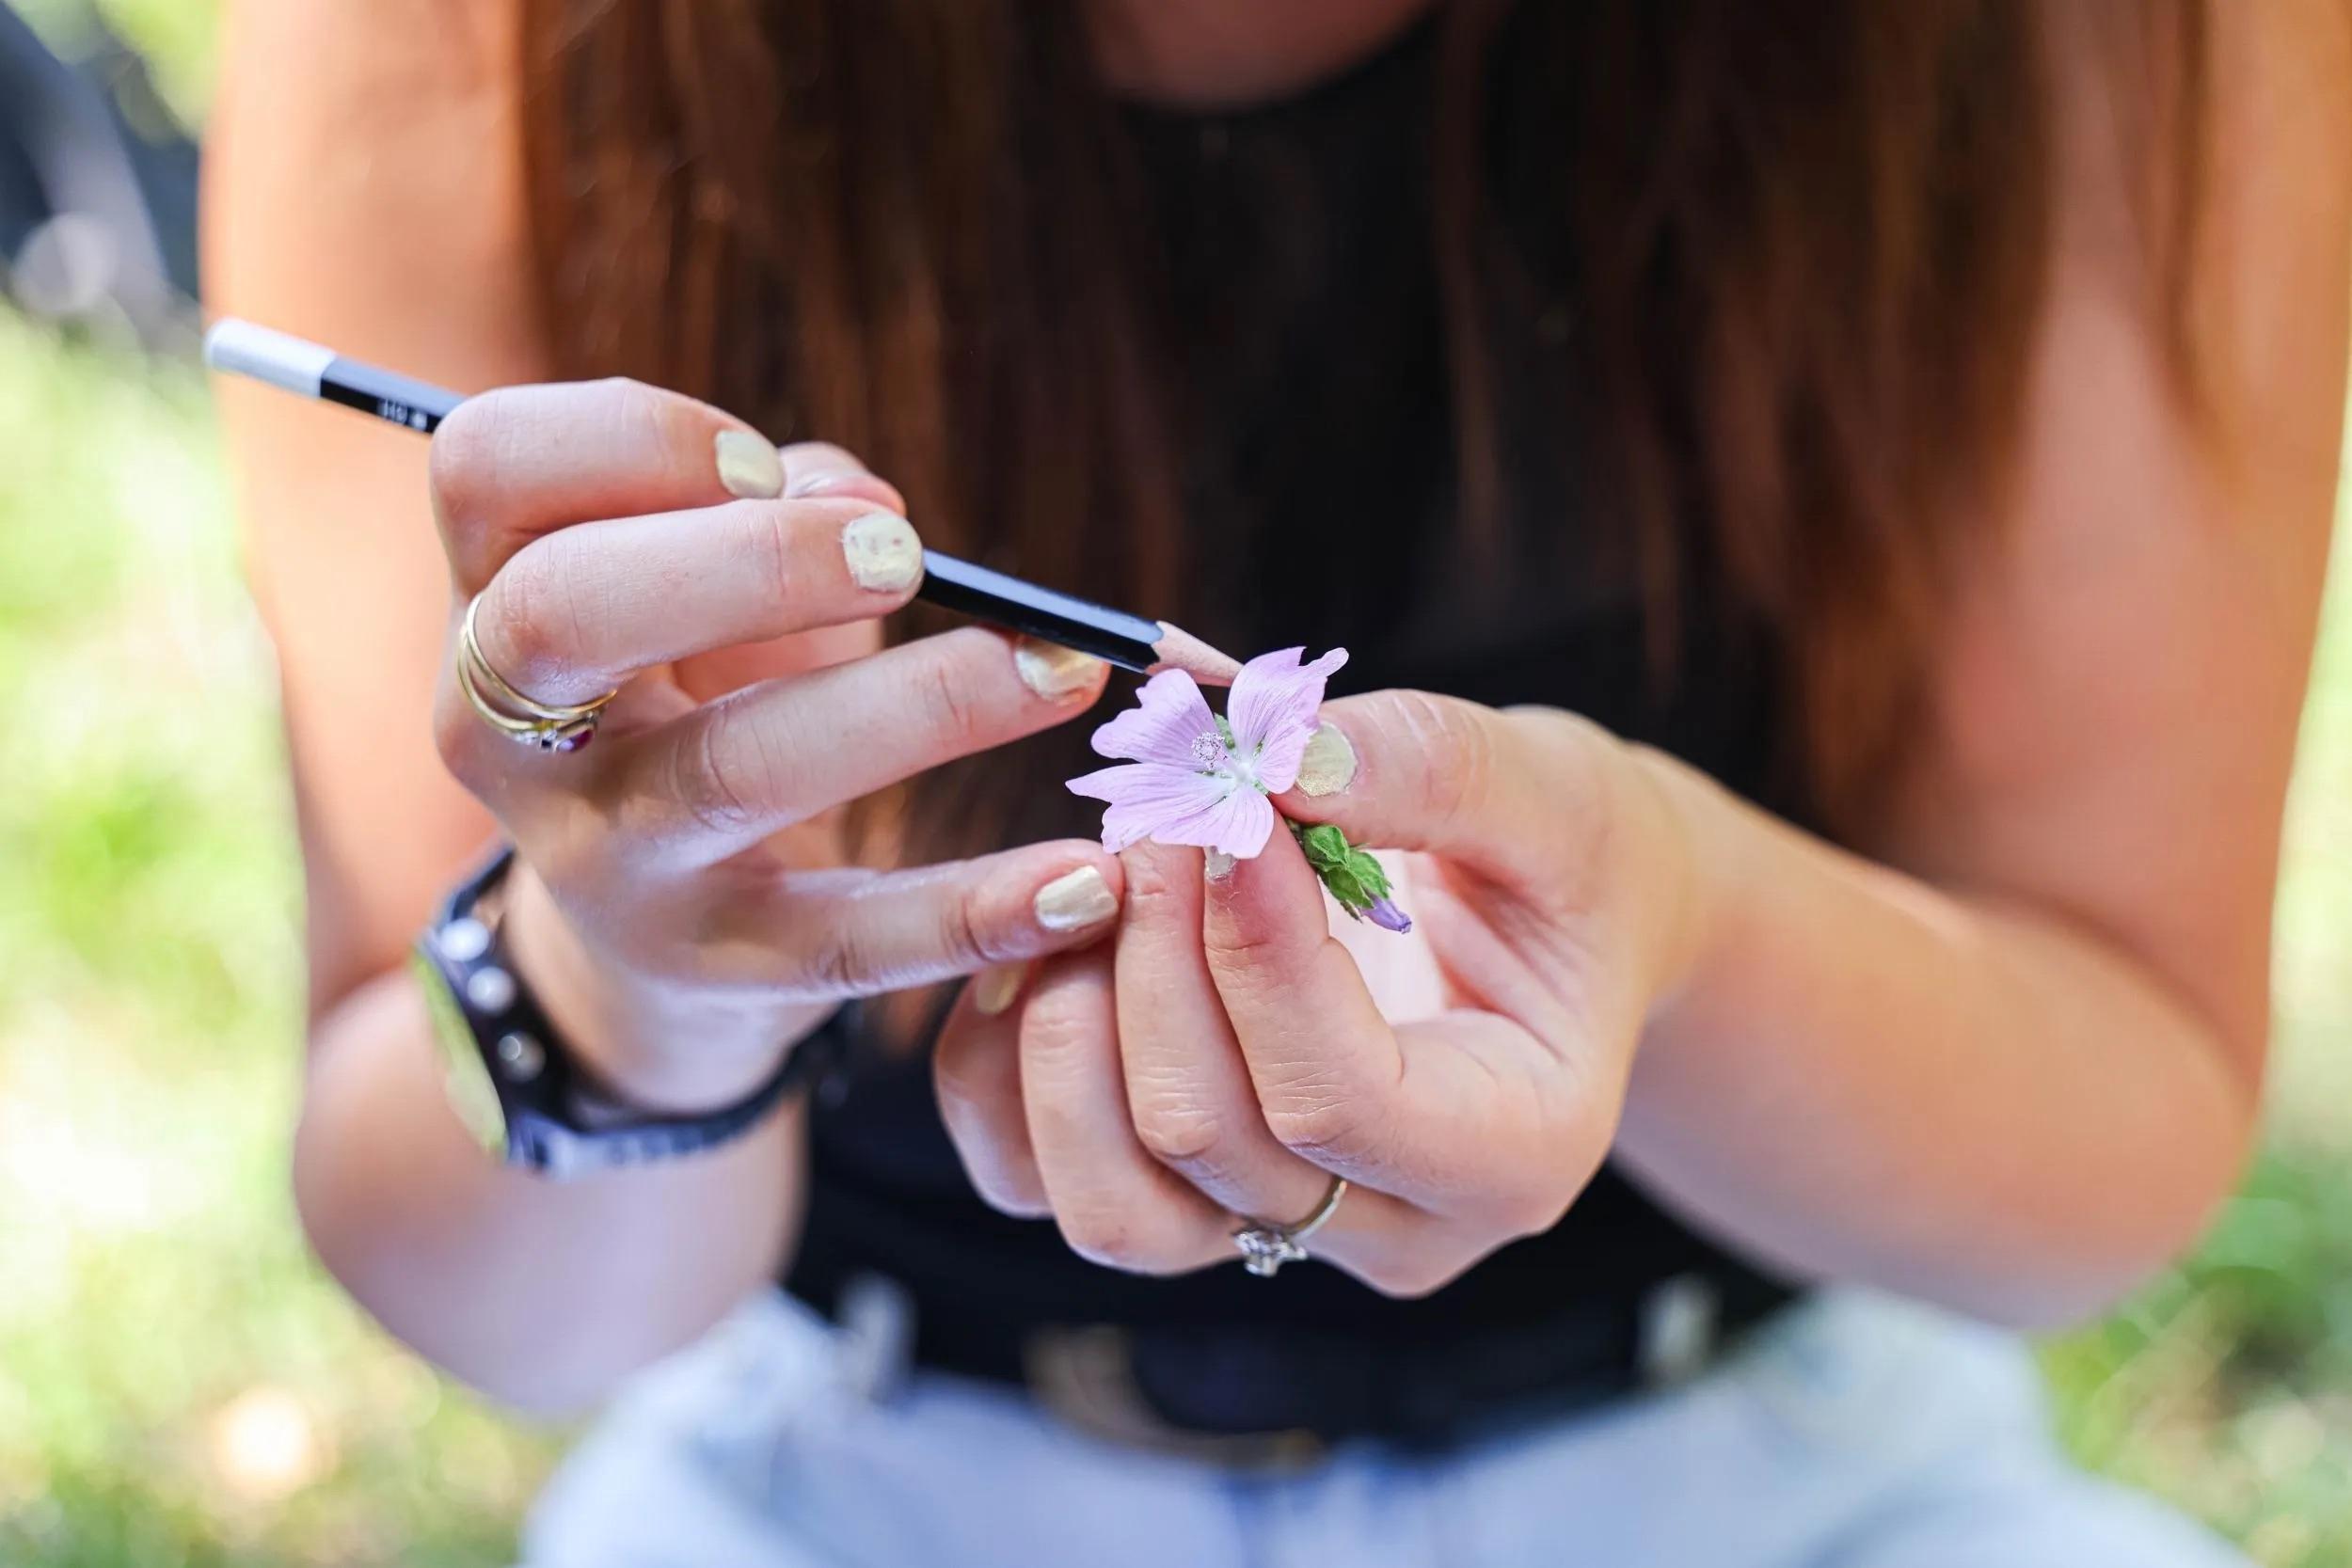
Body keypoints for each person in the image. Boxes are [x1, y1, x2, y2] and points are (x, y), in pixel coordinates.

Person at [206, 1, 2352, 1562]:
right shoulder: (463, 36)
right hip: (850, 1485)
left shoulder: (2113, 46)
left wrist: (1675, 917)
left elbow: (2120, 1106)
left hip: (1790, 1479)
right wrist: (635, 991)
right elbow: (463, 1262)